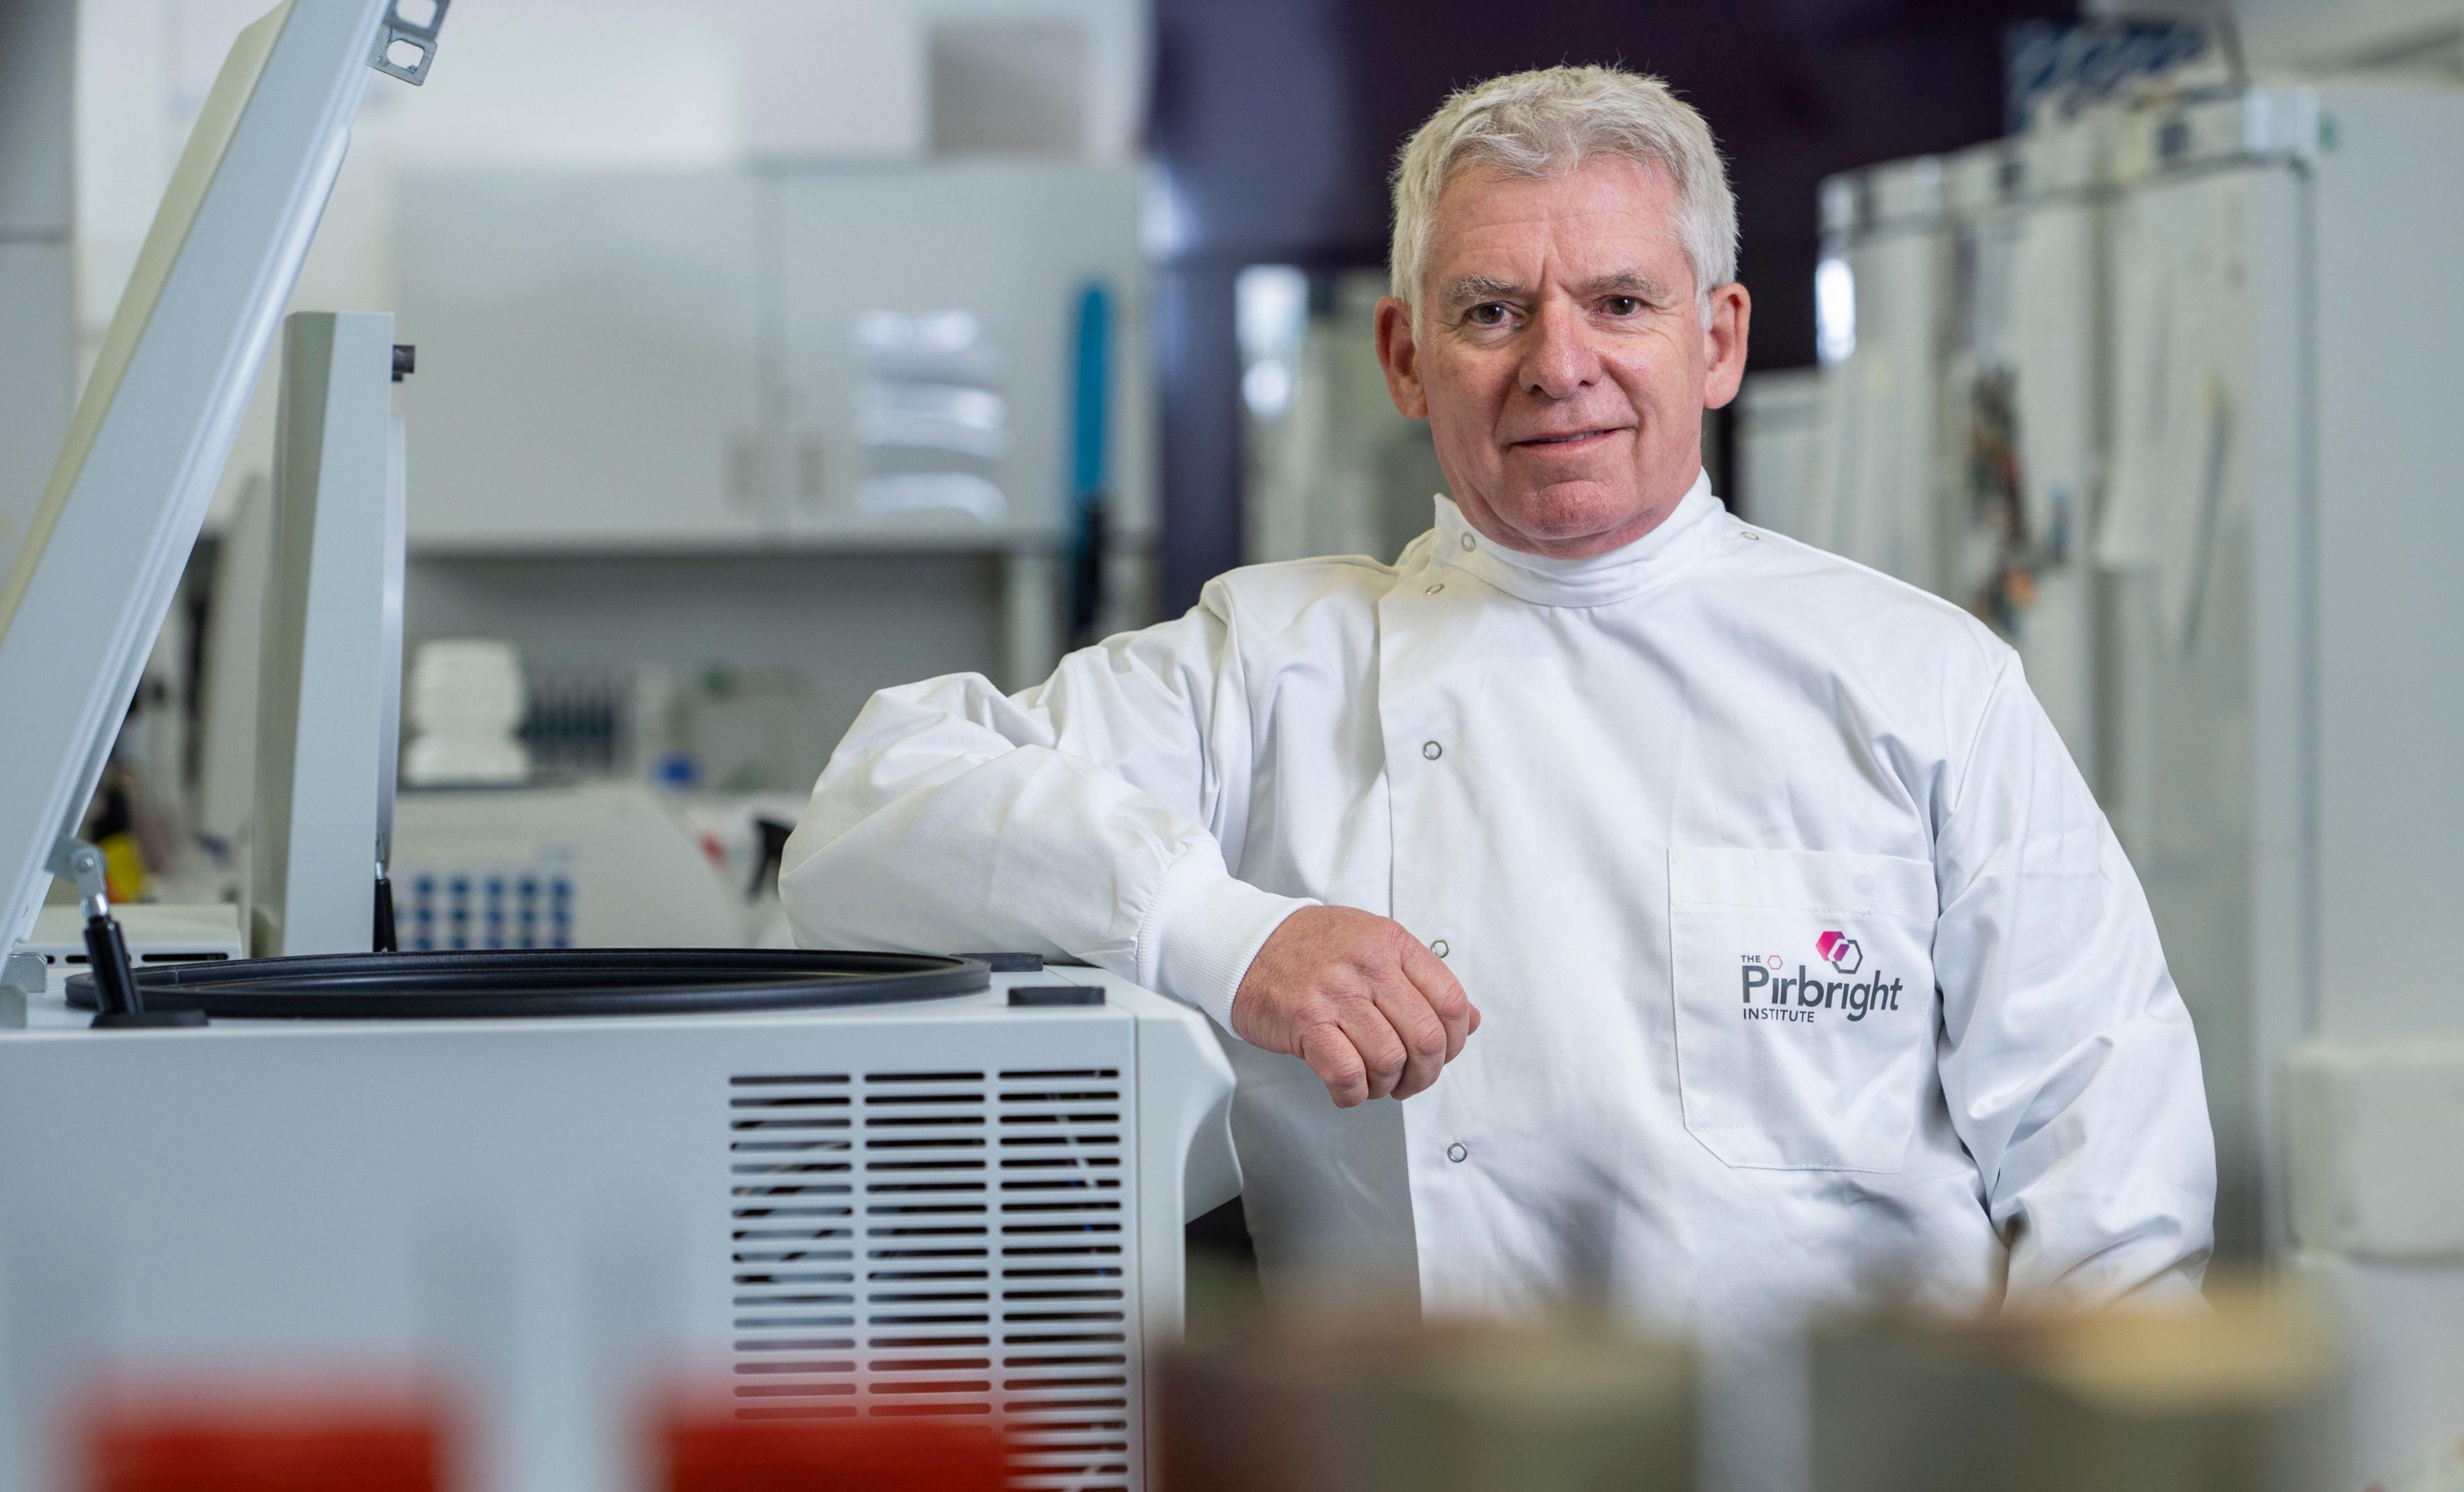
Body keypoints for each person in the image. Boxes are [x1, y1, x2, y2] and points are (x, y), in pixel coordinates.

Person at [784, 65, 2212, 1337]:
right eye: (1491, 311)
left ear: (1716, 339)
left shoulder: (1920, 679)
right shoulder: (1273, 664)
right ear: (1406, 357)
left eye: (1619, 303)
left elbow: (2111, 1169)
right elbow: (863, 815)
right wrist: (1226, 932)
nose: (1558, 363)